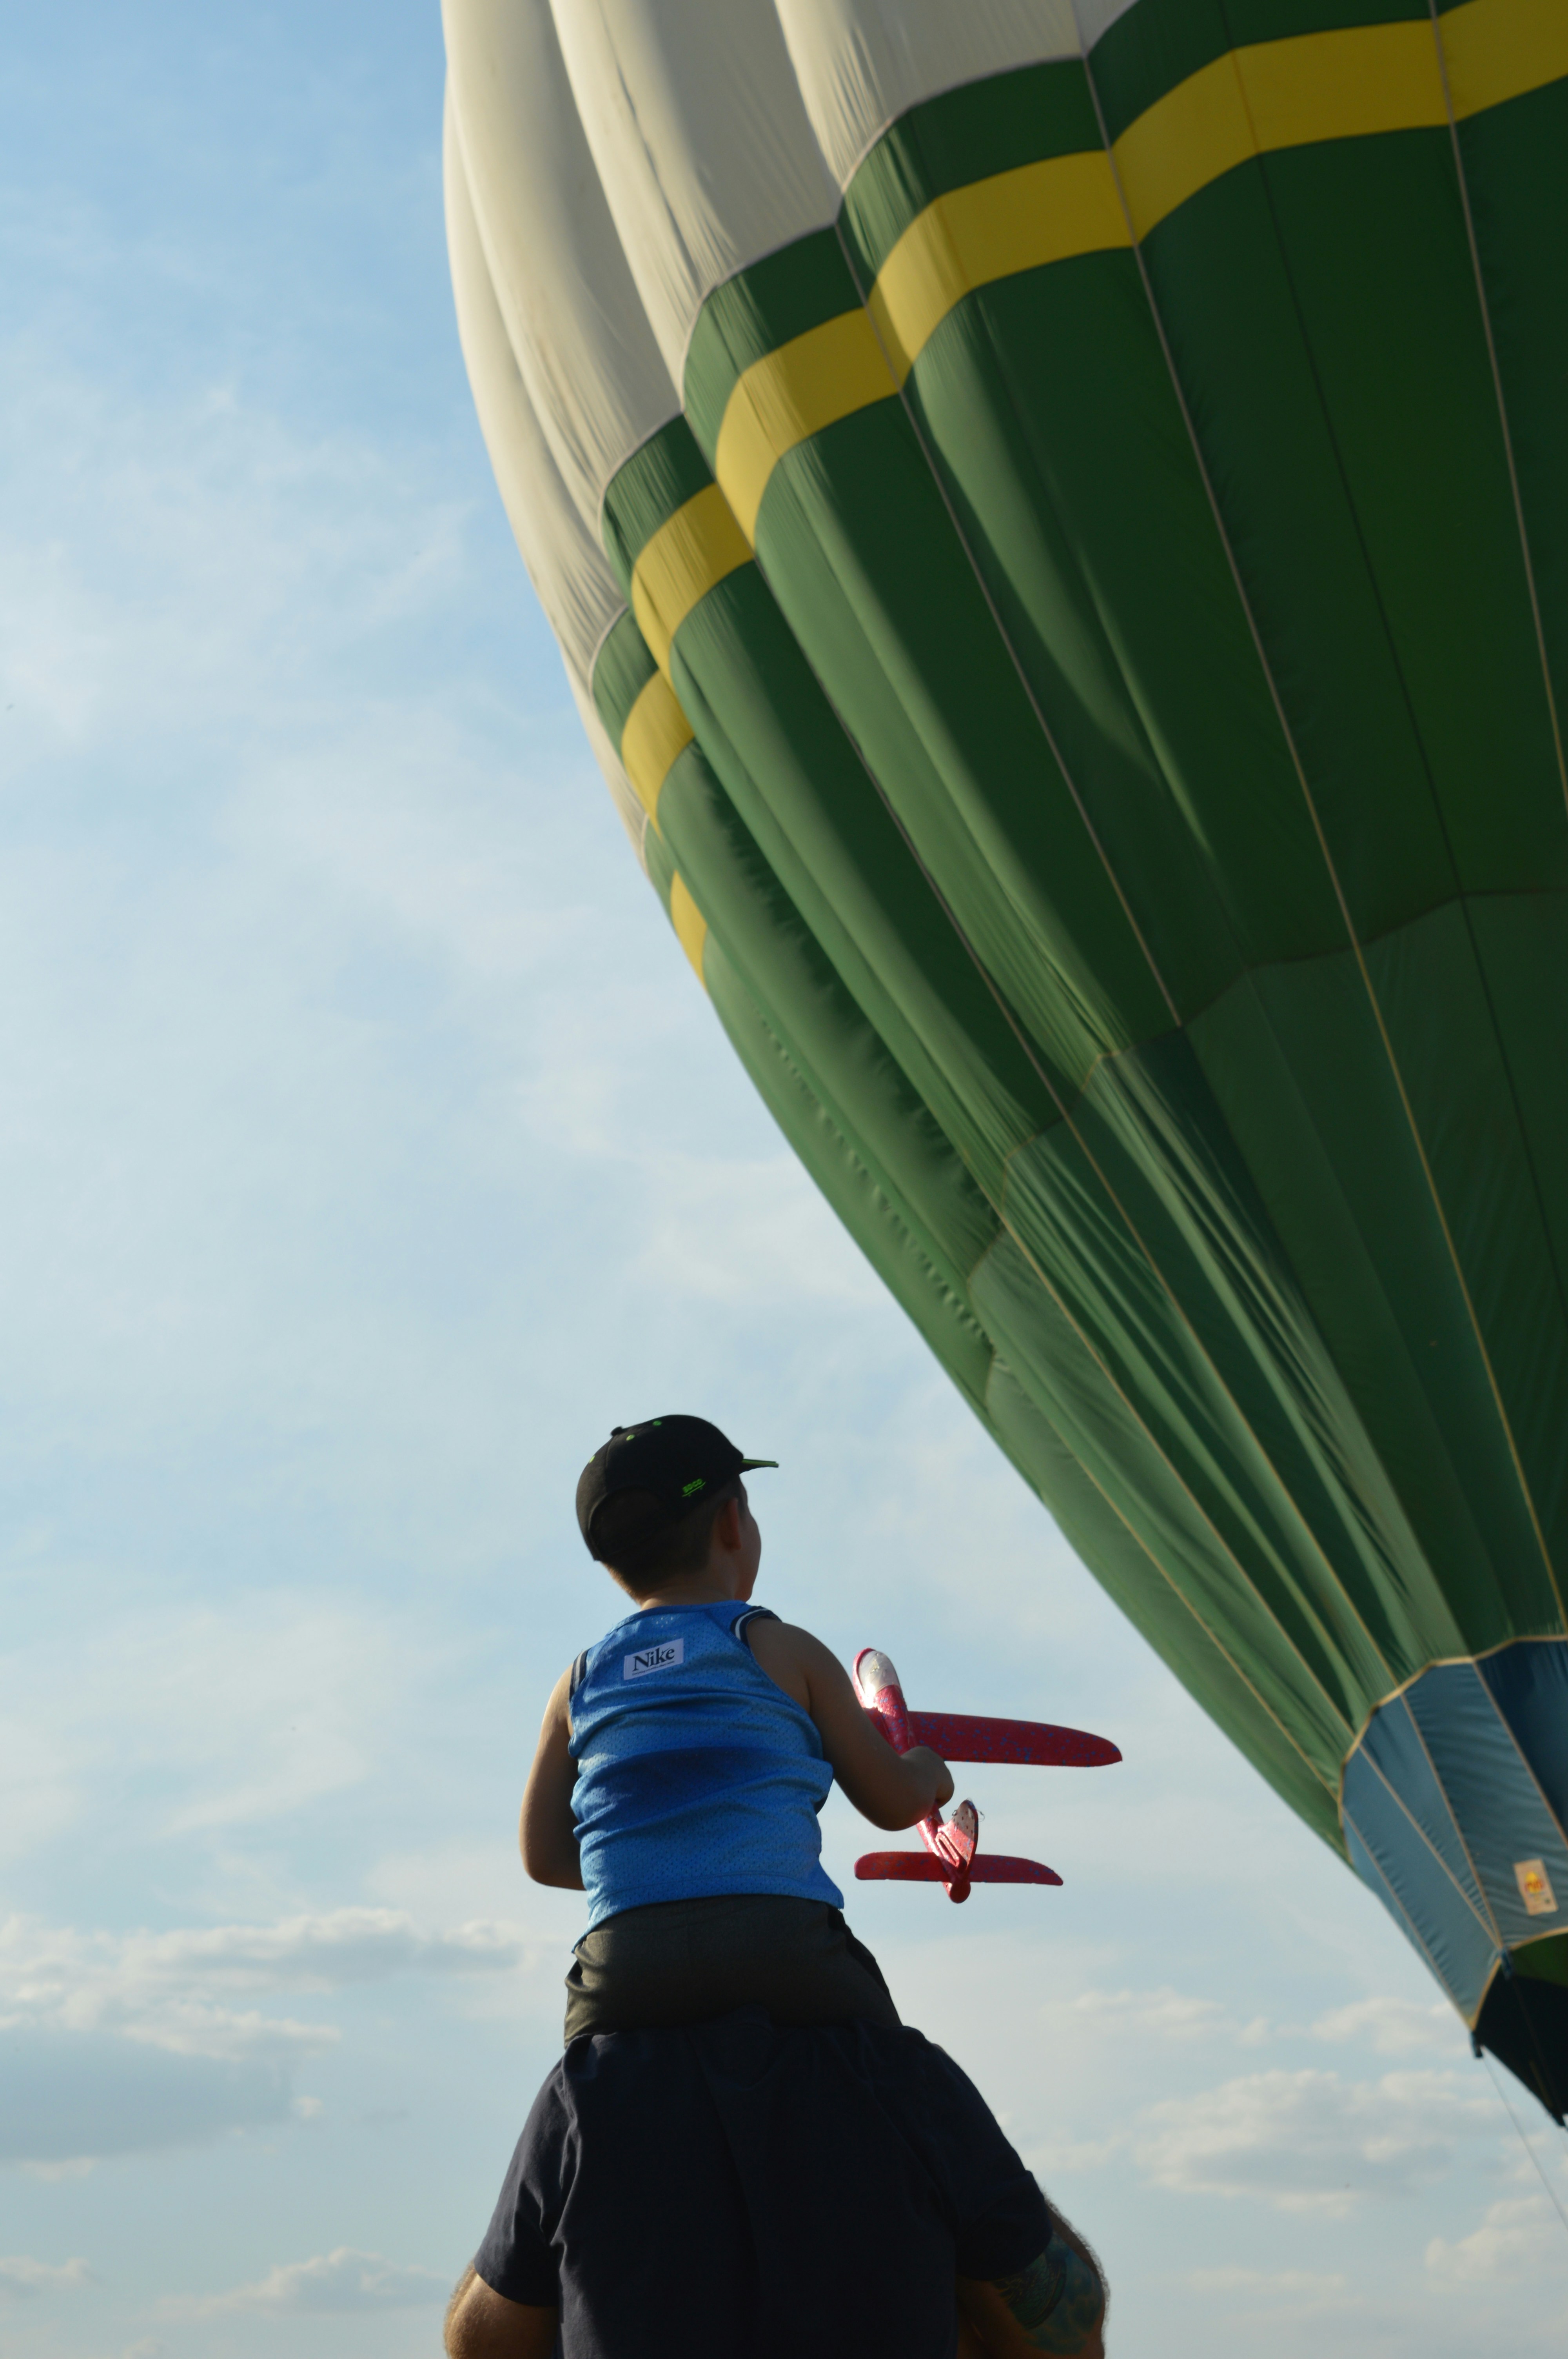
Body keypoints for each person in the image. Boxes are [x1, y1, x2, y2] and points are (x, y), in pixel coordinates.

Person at [521, 1414, 957, 2042]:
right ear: (733, 1525)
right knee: (894, 2098)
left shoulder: (577, 1684)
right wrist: (929, 1771)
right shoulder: (784, 1650)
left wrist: (662, 1866)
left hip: (624, 1964)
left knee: (611, 2120)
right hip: (782, 1943)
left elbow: (542, 1856)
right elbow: (893, 1802)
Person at [443, 2006, 1109, 2358]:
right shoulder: (906, 2082)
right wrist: (970, 2186)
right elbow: (1067, 2342)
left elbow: (482, 2346)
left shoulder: (590, 2094)